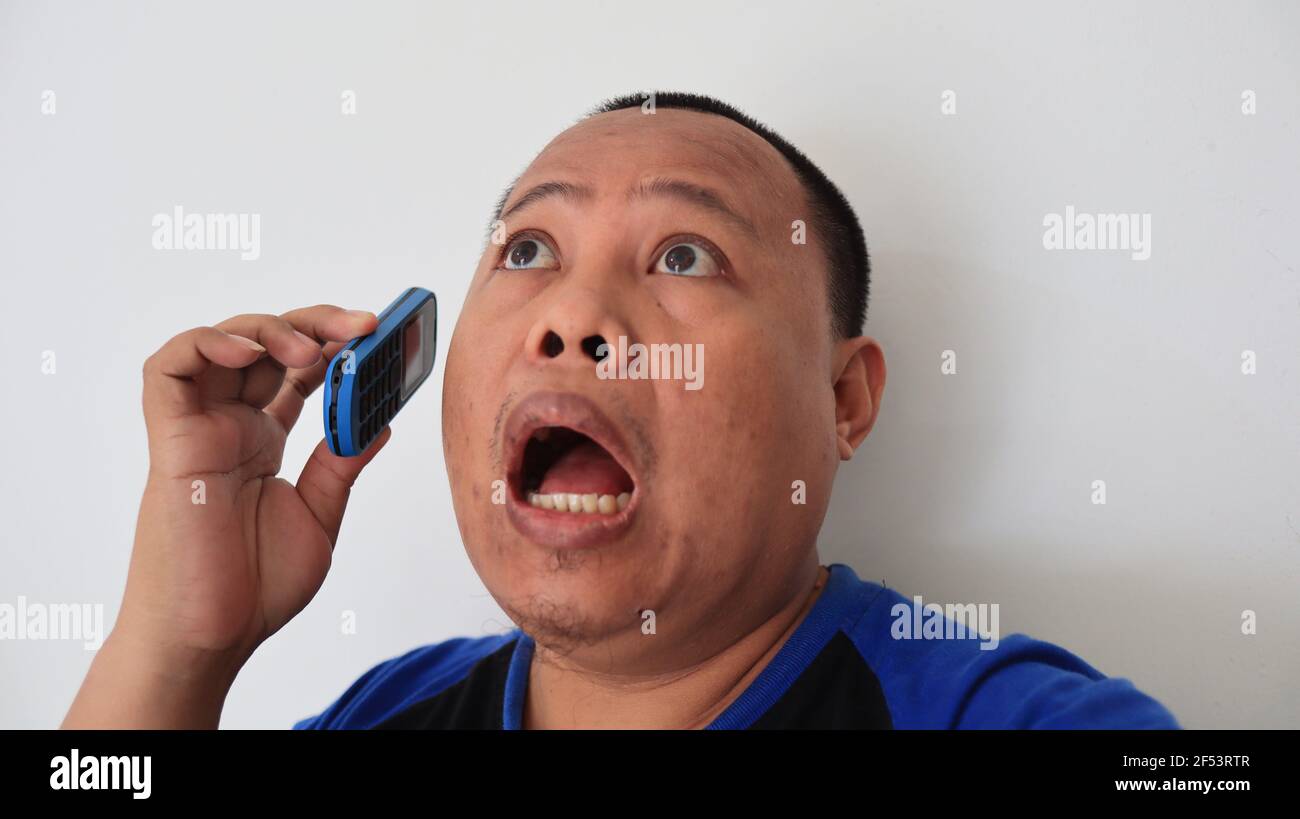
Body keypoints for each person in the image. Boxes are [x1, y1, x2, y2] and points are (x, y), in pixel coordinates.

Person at [63, 92, 1179, 729]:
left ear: (843, 400)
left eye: (683, 254)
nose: (571, 316)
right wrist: (174, 653)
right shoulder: (381, 717)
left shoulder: (1012, 720)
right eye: (530, 249)